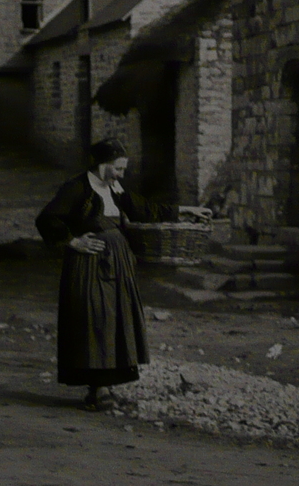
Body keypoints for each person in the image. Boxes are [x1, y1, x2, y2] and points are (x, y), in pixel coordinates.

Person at [35, 138, 211, 410]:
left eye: (123, 169)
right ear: (102, 164)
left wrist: (186, 211)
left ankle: (104, 389)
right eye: (117, 168)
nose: (121, 174)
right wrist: (74, 241)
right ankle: (98, 389)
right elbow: (47, 219)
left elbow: (143, 209)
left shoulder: (114, 188)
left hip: (117, 263)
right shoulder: (77, 188)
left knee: (115, 319)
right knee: (96, 321)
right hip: (90, 265)